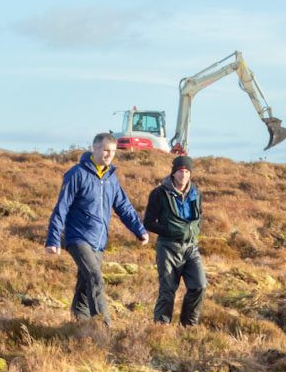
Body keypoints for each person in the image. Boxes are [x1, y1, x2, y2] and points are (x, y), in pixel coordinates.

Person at [44, 131, 148, 323]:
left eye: (113, 152)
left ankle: (79, 325)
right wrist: (53, 239)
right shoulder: (77, 174)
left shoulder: (111, 177)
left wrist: (139, 230)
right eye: (106, 150)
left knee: (85, 286)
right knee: (96, 279)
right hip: (78, 238)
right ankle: (104, 327)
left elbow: (123, 206)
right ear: (95, 148)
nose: (110, 155)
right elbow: (62, 206)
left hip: (98, 241)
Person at [143, 156, 205, 325]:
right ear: (173, 172)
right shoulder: (159, 193)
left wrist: (195, 230)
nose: (183, 175)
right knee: (167, 292)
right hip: (168, 248)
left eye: (186, 172)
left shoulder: (197, 193)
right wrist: (170, 230)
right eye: (180, 171)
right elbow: (148, 222)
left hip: (191, 248)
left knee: (199, 286)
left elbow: (199, 217)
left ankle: (188, 327)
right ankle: (161, 329)